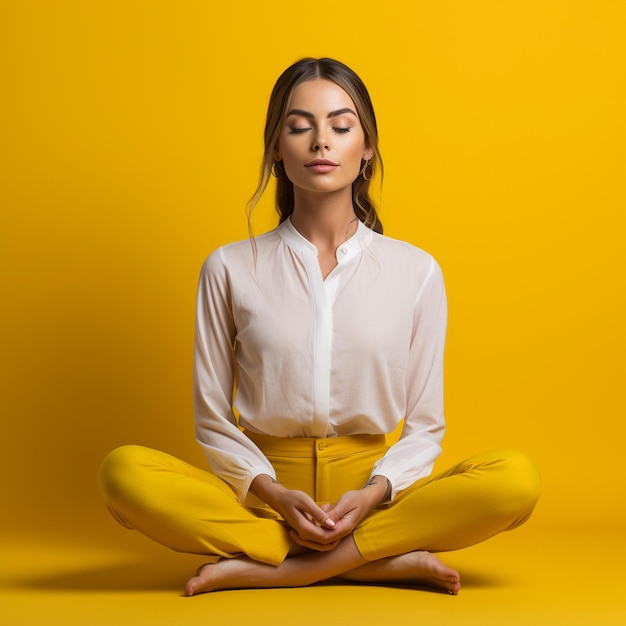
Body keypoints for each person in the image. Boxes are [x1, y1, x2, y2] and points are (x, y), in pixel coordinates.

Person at [99, 57, 541, 597]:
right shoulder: (229, 267)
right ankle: (373, 558)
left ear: (368, 147)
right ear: (277, 149)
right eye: (300, 125)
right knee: (123, 473)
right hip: (264, 498)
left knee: (514, 479)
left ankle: (284, 567)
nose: (320, 143)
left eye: (340, 125)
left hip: (374, 495)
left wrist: (376, 492)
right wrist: (275, 495)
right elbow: (212, 419)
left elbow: (425, 428)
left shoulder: (416, 271)